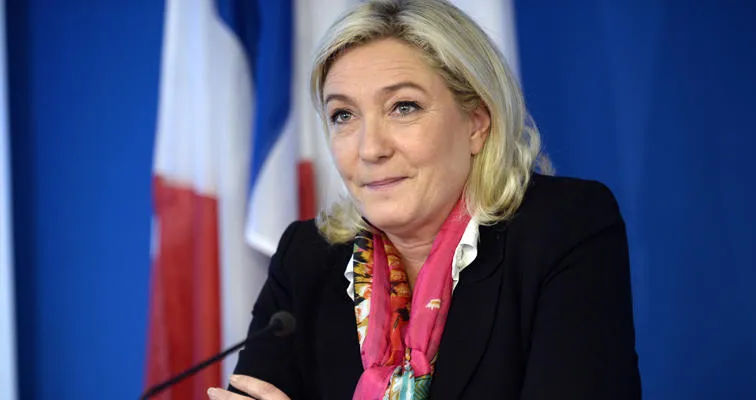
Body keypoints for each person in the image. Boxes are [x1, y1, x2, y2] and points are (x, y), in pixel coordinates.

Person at [208, 0, 641, 398]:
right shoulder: (306, 260)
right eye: (343, 115)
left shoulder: (563, 229)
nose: (370, 148)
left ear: (476, 123)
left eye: (404, 107)